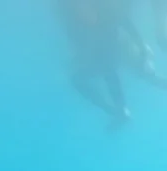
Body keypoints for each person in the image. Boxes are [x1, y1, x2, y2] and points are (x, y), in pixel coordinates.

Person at [56, 0, 131, 128]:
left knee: (107, 66)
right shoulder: (75, 27)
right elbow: (80, 49)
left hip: (113, 53)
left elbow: (125, 23)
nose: (82, 13)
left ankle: (121, 109)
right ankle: (113, 110)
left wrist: (141, 47)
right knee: (77, 79)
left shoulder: (107, 17)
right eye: (79, 11)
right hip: (99, 58)